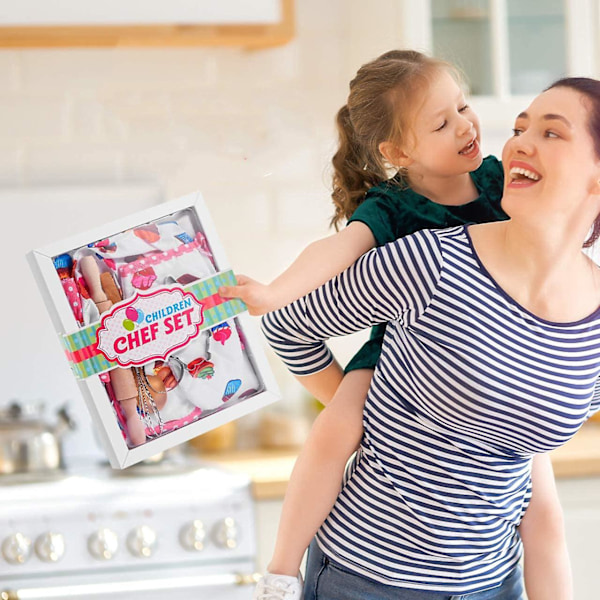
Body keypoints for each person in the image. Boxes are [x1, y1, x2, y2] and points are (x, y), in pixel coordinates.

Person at [219, 51, 572, 599]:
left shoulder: (499, 181)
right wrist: (270, 293)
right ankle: (282, 571)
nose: (465, 125)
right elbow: (332, 252)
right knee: (335, 432)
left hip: (492, 364)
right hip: (395, 358)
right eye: (441, 122)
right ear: (397, 151)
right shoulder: (392, 209)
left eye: (462, 107)